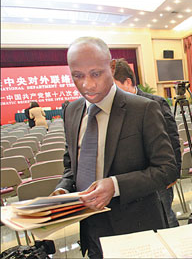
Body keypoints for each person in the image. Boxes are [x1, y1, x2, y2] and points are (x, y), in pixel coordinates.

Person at [53, 37, 178, 258]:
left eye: (96, 74)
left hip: (136, 227)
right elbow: (72, 166)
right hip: (91, 228)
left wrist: (116, 185)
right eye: (78, 76)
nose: (87, 85)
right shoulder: (71, 112)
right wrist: (64, 189)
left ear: (111, 67)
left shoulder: (143, 109)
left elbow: (167, 169)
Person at [113, 58, 180, 228]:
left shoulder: (155, 103)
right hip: (133, 181)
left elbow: (172, 139)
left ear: (127, 82)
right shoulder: (115, 109)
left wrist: (174, 172)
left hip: (158, 175)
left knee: (165, 217)